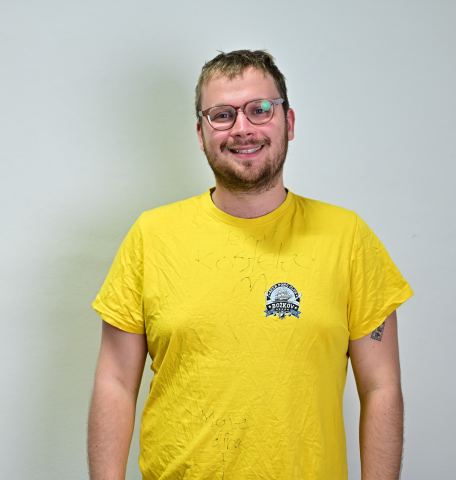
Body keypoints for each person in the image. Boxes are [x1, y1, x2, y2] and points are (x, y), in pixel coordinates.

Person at [88, 49, 413, 480]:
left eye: (260, 109)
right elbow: (114, 382)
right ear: (201, 133)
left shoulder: (348, 238)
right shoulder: (151, 236)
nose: (242, 128)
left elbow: (381, 387)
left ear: (289, 122)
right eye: (222, 115)